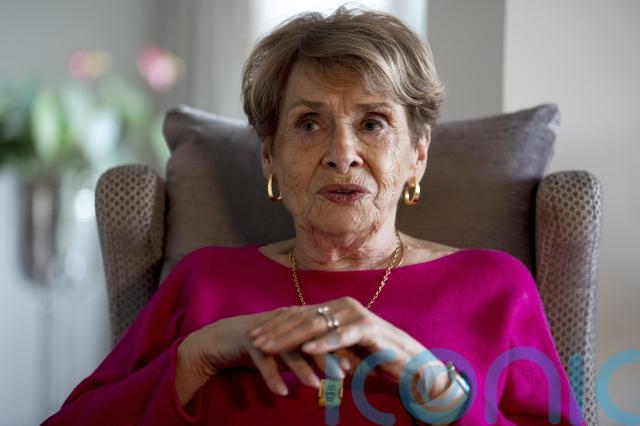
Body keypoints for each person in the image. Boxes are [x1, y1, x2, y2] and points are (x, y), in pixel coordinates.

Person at [43, 6, 585, 426]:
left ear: (417, 155)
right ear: (269, 157)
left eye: (373, 123)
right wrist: (196, 359)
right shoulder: (203, 283)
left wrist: (430, 380)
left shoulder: (493, 287)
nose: (341, 154)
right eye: (308, 124)